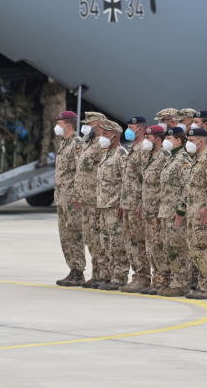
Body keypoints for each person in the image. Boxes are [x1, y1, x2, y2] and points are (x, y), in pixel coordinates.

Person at [179, 127, 207, 299]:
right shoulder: (196, 159)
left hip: (202, 213)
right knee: (196, 249)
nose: (189, 143)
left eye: (192, 140)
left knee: (205, 248)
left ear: (201, 141)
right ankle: (202, 283)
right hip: (193, 212)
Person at [73, 111, 108, 288]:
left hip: (96, 199)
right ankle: (96, 274)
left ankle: (103, 274)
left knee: (98, 238)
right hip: (86, 199)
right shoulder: (88, 142)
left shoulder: (102, 145)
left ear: (100, 124)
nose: (87, 126)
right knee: (90, 238)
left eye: (90, 122)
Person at [158, 126, 193, 296]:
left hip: (176, 212)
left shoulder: (183, 159)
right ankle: (173, 280)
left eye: (170, 139)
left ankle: (181, 283)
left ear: (179, 141)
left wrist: (181, 210)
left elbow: (188, 188)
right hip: (165, 211)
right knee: (169, 247)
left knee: (178, 248)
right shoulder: (170, 158)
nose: (166, 141)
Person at [52, 110, 85, 287]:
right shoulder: (64, 143)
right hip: (62, 197)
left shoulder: (77, 143)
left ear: (69, 125)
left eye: (60, 124)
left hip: (72, 198)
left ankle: (78, 271)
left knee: (74, 234)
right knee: (65, 235)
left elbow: (81, 171)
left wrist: (78, 196)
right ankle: (72, 269)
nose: (57, 127)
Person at [95, 119, 127, 291]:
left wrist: (123, 202)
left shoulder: (121, 154)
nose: (102, 136)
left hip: (115, 206)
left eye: (106, 134)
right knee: (105, 242)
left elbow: (126, 181)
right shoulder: (106, 154)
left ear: (115, 135)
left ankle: (119, 276)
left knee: (117, 242)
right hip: (103, 205)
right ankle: (107, 275)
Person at [119, 116, 150, 293]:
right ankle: (137, 275)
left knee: (139, 241)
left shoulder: (143, 150)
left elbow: (144, 179)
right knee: (131, 241)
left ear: (141, 129)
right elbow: (127, 180)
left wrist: (140, 202)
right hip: (128, 203)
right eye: (128, 126)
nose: (129, 130)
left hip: (137, 203)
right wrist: (124, 202)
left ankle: (143, 276)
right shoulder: (132, 149)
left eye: (133, 127)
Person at [140, 124, 169, 294]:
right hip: (148, 209)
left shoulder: (164, 157)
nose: (146, 141)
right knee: (151, 246)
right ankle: (156, 278)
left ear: (158, 140)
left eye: (149, 138)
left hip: (158, 209)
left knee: (159, 245)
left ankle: (163, 279)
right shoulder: (147, 156)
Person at [38, 79, 67, 167]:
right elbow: (41, 100)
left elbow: (59, 98)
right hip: (47, 115)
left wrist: (48, 99)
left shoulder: (61, 86)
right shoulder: (46, 86)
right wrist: (52, 98)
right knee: (46, 136)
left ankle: (58, 161)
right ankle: (43, 160)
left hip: (58, 116)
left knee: (57, 138)